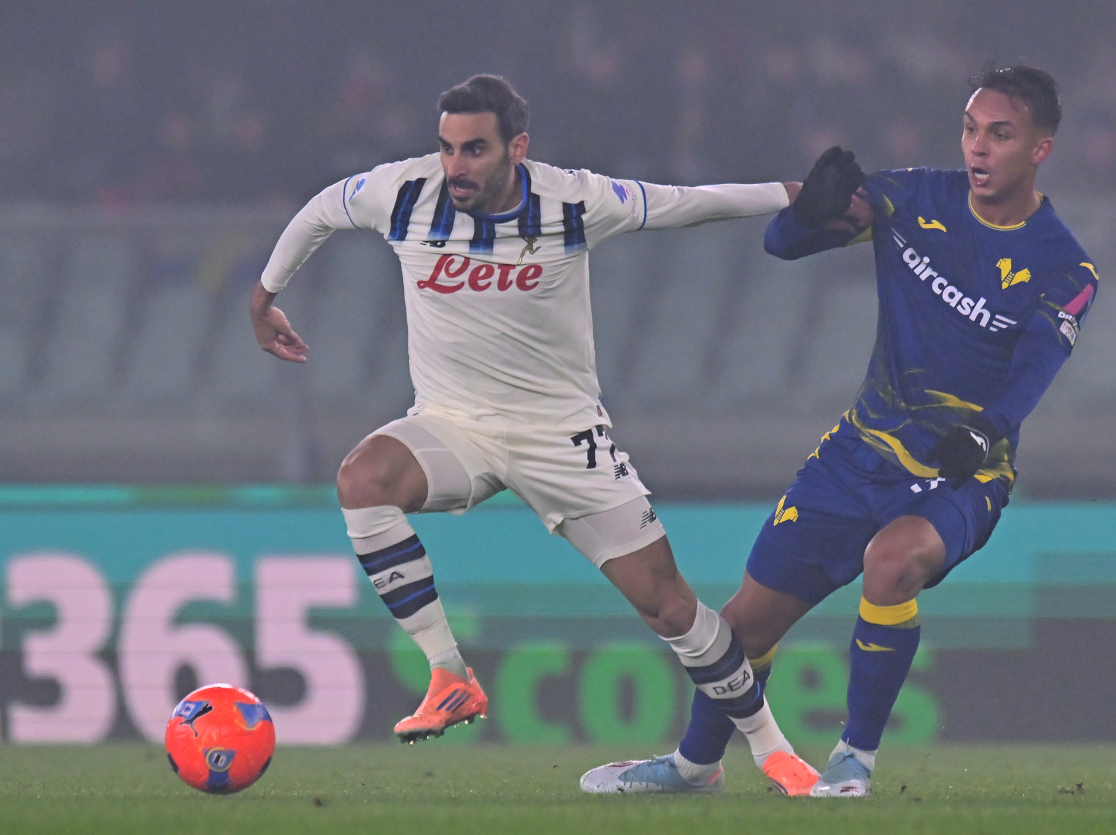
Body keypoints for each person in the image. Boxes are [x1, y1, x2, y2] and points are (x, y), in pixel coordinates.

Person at [251, 74, 821, 794]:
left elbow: (686, 204)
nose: (456, 166)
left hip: (562, 435)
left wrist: (792, 194)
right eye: (447, 147)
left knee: (669, 605)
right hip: (453, 423)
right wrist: (265, 296)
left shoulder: (572, 202)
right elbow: (320, 210)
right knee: (362, 479)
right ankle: (450, 675)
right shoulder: (402, 193)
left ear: (516, 148)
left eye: (475, 149)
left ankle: (772, 750)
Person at [581, 64, 1098, 797]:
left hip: (960, 469)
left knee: (892, 562)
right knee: (743, 627)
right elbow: (782, 245)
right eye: (970, 129)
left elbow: (1035, 367)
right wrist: (807, 213)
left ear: (1040, 148)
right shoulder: (913, 195)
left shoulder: (1066, 266)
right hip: (858, 452)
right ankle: (695, 767)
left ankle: (853, 760)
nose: (978, 147)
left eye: (1000, 134)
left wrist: (987, 432)